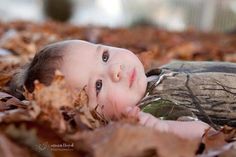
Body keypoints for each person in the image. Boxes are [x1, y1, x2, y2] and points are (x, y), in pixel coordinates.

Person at [10, 40, 218, 139]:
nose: (115, 71)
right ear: (93, 118)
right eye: (98, 86)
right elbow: (207, 133)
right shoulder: (152, 108)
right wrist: (162, 128)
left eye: (105, 57)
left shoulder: (156, 73)